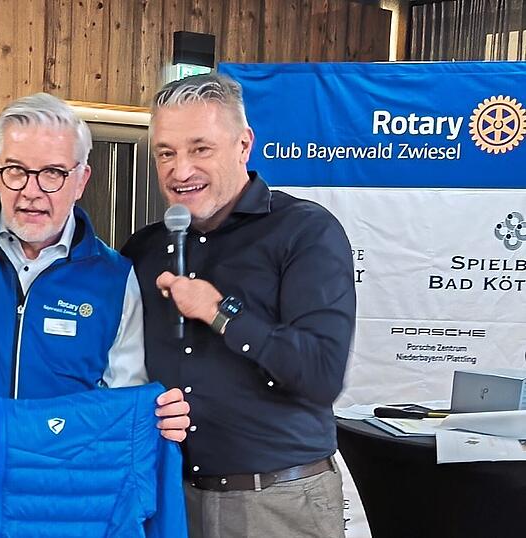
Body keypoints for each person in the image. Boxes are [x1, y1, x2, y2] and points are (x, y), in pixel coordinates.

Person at [121, 73, 356, 537]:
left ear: (243, 145)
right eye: (166, 153)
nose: (180, 170)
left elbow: (322, 373)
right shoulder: (142, 250)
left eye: (200, 148)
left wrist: (219, 312)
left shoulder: (305, 232)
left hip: (279, 505)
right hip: (171, 498)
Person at [0, 93, 190, 441]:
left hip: (57, 486)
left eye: (53, 173)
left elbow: (122, 405)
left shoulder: (115, 280)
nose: (31, 191)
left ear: (81, 180)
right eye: (16, 171)